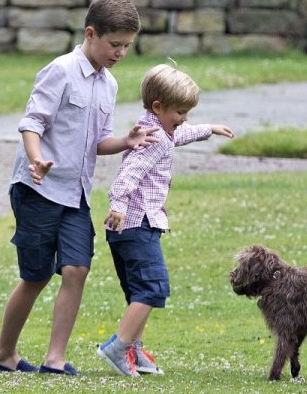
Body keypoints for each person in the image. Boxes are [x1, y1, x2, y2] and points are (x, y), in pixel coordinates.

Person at [0, 0, 156, 376]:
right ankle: (4, 355)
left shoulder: (109, 84)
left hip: (75, 193)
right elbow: (32, 123)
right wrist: (36, 159)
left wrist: (128, 142)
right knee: (36, 275)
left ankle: (55, 359)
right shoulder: (60, 71)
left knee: (76, 269)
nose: (120, 53)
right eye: (115, 44)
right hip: (38, 189)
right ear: (91, 33)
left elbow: (97, 142)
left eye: (127, 46)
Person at [97, 63, 234, 377]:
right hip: (135, 225)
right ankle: (117, 348)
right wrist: (117, 205)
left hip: (129, 228)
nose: (184, 118)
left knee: (139, 291)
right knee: (153, 287)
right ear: (158, 107)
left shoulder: (158, 130)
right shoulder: (154, 139)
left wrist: (209, 128)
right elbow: (126, 177)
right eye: (181, 111)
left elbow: (180, 134)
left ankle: (132, 348)